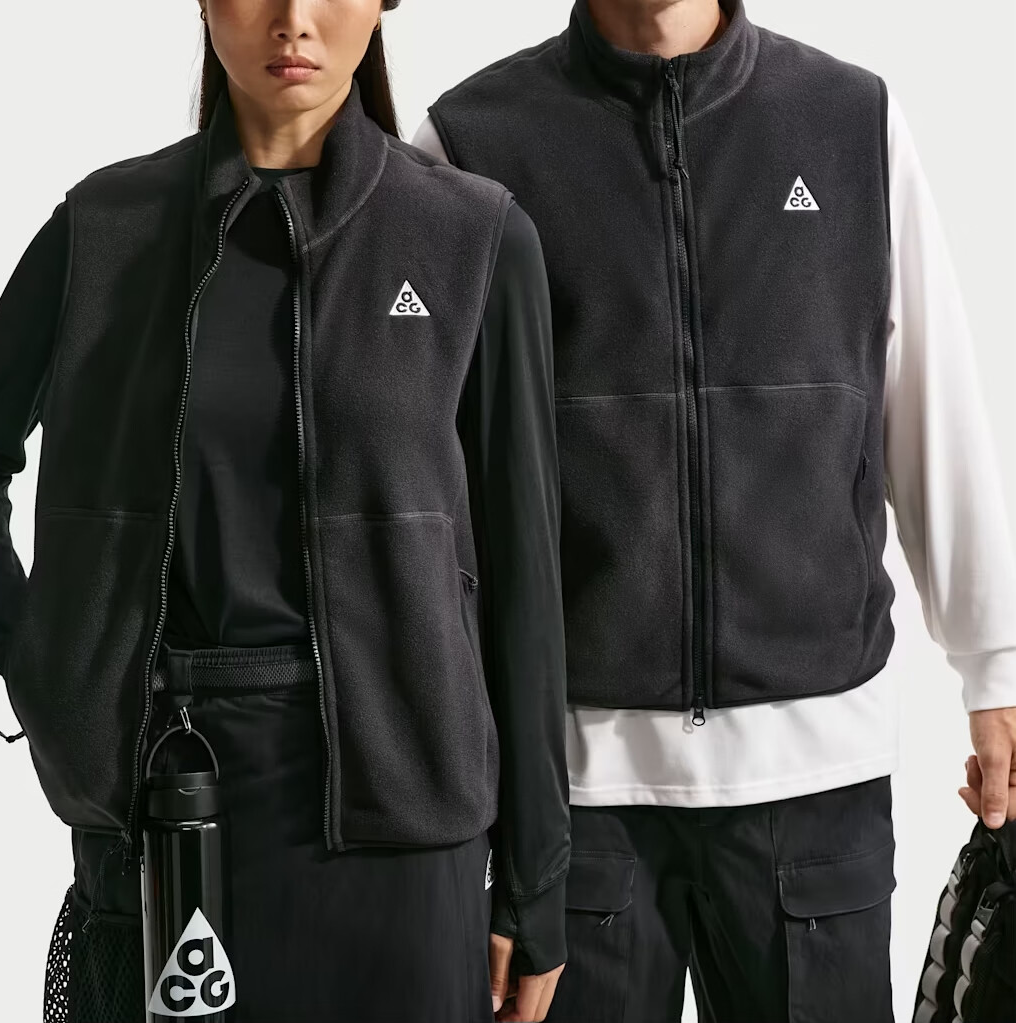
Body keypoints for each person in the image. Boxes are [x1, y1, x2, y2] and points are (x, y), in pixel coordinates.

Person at [0, 2, 571, 1020]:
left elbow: (525, 576)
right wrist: (51, 665)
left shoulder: (475, 237)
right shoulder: (104, 229)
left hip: (408, 829)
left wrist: (539, 877)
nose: (294, 20)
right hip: (171, 803)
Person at [412, 0, 1016, 1019]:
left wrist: (994, 666)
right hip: (575, 795)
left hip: (815, 782)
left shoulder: (850, 120)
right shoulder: (471, 142)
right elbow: (422, 475)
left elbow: (930, 398)